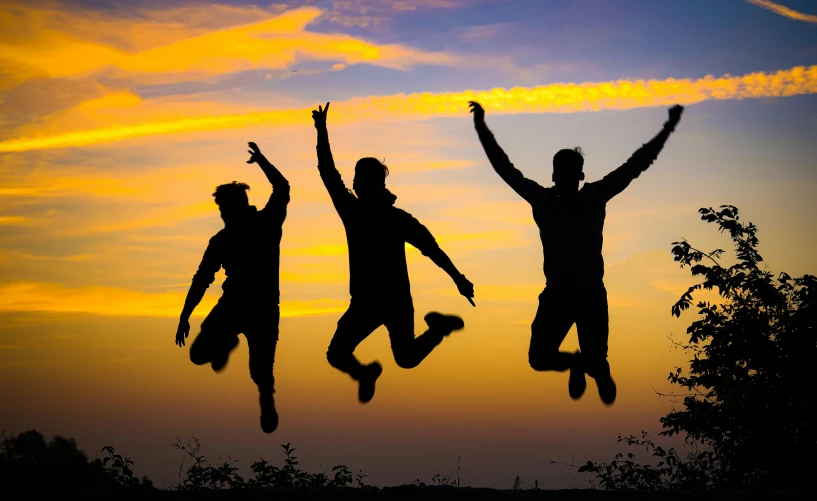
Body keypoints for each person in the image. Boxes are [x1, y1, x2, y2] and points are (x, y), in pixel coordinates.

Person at [468, 101, 684, 405]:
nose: (567, 176)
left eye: (570, 171)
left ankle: (593, 366)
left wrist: (668, 128)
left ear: (576, 175)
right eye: (563, 171)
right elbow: (503, 168)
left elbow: (638, 163)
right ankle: (577, 364)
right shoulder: (546, 199)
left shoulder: (590, 196)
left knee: (594, 363)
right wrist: (481, 127)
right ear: (558, 175)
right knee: (539, 359)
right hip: (558, 294)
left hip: (589, 294)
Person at [312, 102, 475, 403]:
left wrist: (458, 278)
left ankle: (438, 330)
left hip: (396, 302)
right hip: (364, 303)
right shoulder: (352, 211)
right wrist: (321, 131)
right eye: (358, 180)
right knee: (336, 354)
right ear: (356, 184)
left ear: (378, 184)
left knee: (406, 359)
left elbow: (432, 249)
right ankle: (365, 373)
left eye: (367, 181)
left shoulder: (397, 219)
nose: (359, 185)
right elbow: (327, 172)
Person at [175, 142, 289, 433]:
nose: (222, 214)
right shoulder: (221, 240)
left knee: (260, 372)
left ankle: (266, 396)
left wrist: (262, 160)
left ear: (238, 206)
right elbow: (201, 278)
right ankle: (227, 343)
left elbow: (283, 188)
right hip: (232, 305)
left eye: (225, 208)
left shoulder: (266, 223)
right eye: (220, 209)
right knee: (198, 355)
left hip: (263, 309)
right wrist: (184, 315)